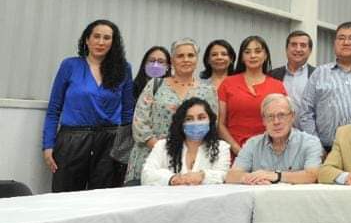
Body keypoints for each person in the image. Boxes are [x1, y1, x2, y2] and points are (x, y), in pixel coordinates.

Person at [42, 19, 135, 192]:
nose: (101, 42)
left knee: (103, 199)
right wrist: (48, 145)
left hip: (109, 144)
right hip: (72, 141)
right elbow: (54, 109)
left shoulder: (123, 69)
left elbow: (128, 111)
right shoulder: (70, 65)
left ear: (113, 42)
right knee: (65, 197)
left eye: (107, 38)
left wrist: (125, 149)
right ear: (87, 39)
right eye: (96, 36)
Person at [126, 38, 218, 185]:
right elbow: (140, 121)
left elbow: (211, 125)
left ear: (197, 59)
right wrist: (162, 150)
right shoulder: (155, 84)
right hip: (150, 157)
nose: (186, 59)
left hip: (189, 163)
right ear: (172, 60)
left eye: (190, 55)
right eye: (180, 56)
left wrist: (183, 154)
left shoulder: (208, 90)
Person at [299, 22, 351, 151]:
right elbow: (306, 113)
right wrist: (316, 146)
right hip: (326, 150)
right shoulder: (319, 74)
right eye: (341, 38)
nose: (346, 42)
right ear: (334, 44)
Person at [225, 94, 321, 185]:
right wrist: (251, 178)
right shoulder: (252, 144)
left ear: (292, 116)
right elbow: (231, 176)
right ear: (263, 120)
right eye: (270, 116)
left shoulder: (310, 142)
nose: (276, 122)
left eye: (281, 115)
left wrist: (275, 176)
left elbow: (313, 175)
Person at [217, 35, 286, 155]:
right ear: (242, 57)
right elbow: (220, 124)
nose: (252, 56)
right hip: (234, 153)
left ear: (265, 55)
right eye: (247, 52)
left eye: (258, 51)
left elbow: (284, 122)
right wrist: (237, 149)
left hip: (269, 153)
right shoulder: (227, 83)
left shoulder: (278, 86)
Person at [141, 97, 230, 186]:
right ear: (181, 123)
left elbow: (224, 175)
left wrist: (202, 176)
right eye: (189, 119)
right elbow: (146, 175)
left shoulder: (221, 147)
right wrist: (172, 179)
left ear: (210, 120)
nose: (196, 122)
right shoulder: (162, 146)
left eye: (201, 117)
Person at [269, 30, 315, 114]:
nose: (298, 49)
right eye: (294, 45)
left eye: (303, 45)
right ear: (286, 49)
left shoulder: (317, 75)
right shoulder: (272, 75)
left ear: (310, 50)